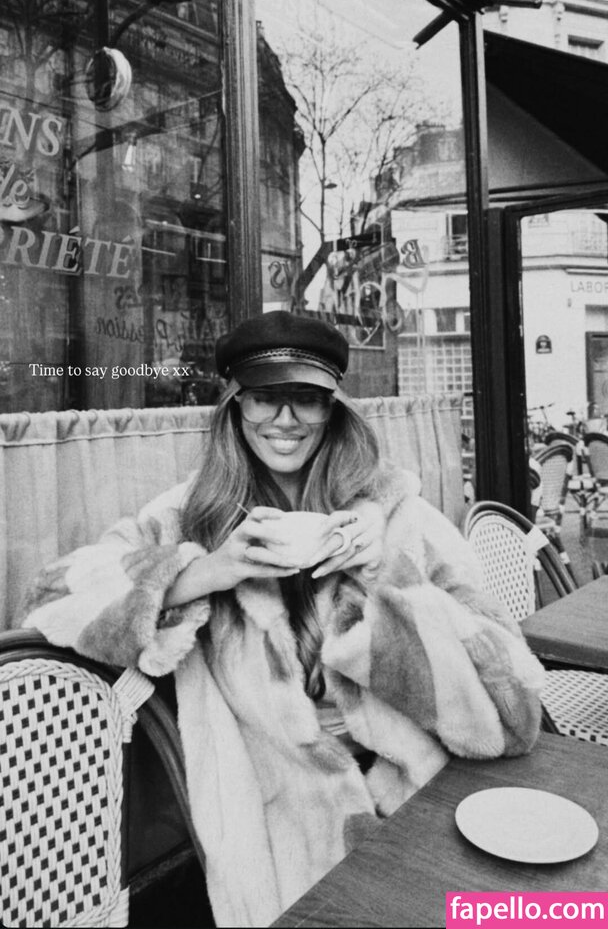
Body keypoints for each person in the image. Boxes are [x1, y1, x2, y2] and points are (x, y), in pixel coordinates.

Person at [24, 311, 544, 929]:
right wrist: (200, 573)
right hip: (279, 814)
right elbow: (51, 594)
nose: (286, 419)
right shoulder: (190, 516)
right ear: (235, 407)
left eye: (307, 399)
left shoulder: (397, 515)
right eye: (265, 398)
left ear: (334, 411)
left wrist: (386, 572)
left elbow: (516, 709)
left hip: (425, 785)